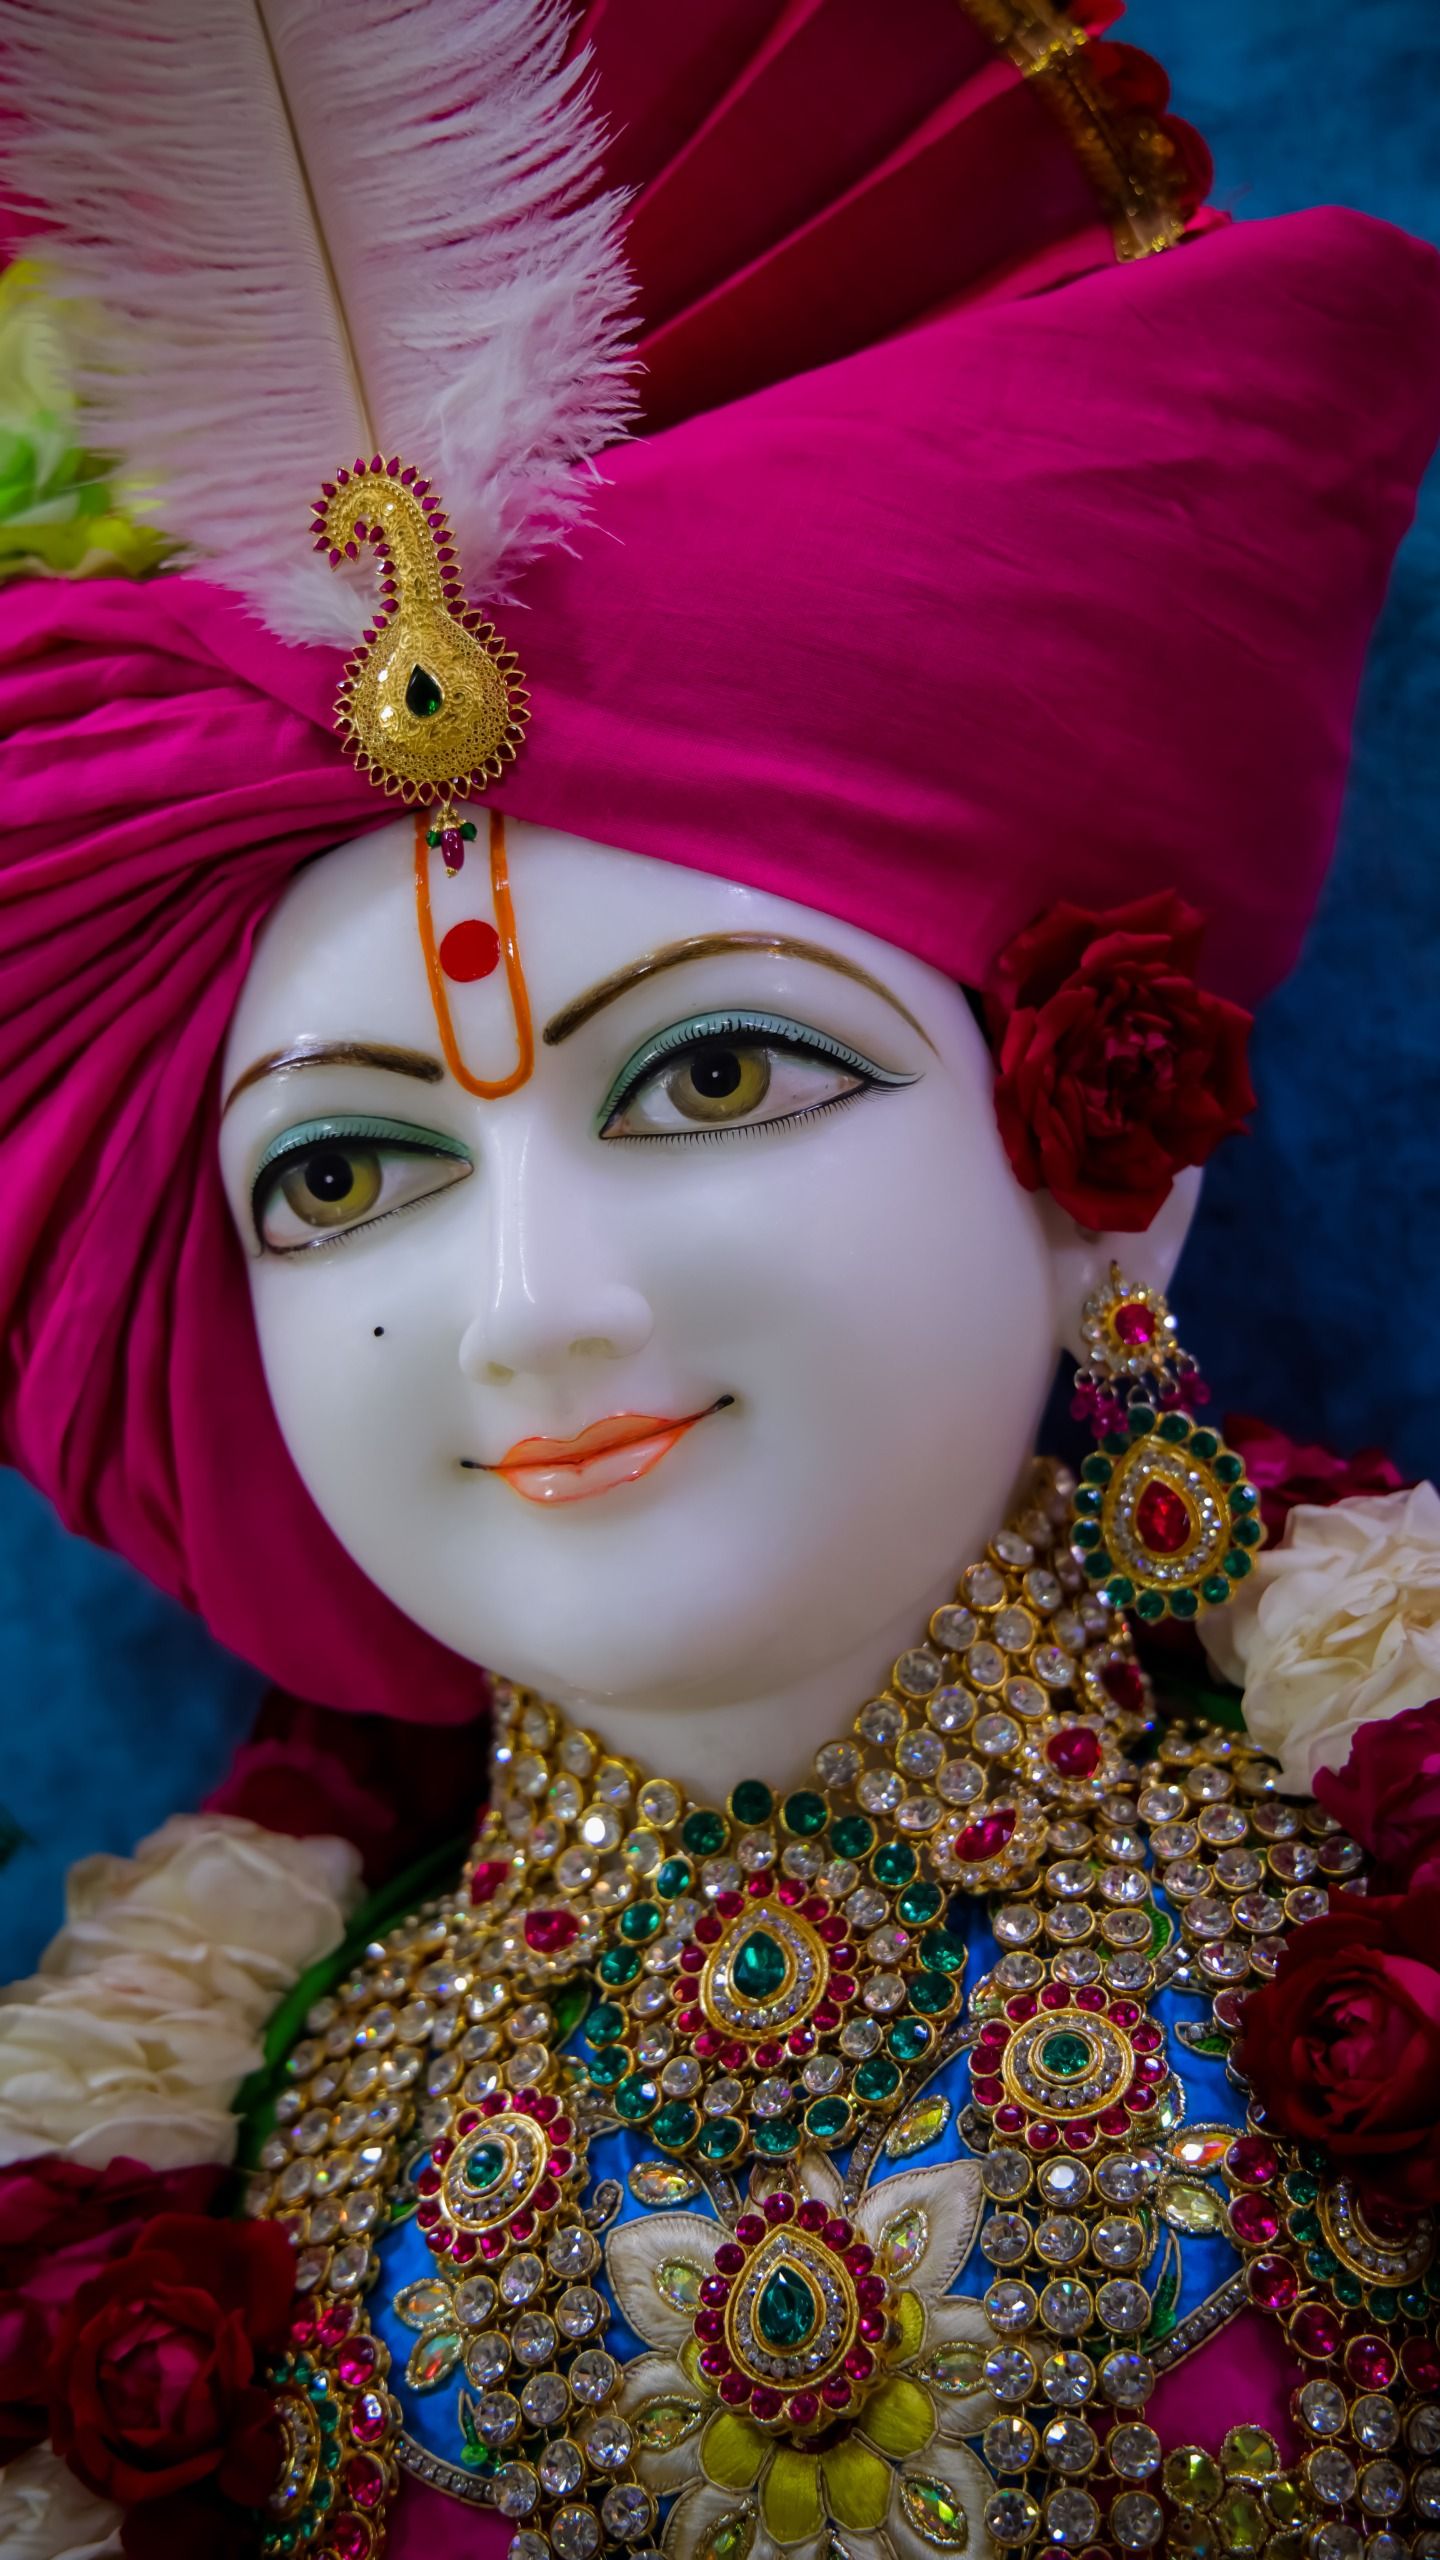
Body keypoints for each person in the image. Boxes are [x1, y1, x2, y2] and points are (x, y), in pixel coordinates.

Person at [2, 5, 1439, 2557]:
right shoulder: (203, 2178)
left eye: (713, 1075)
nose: (530, 1308)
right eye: (344, 1171)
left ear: (1107, 1161)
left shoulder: (1375, 1881)